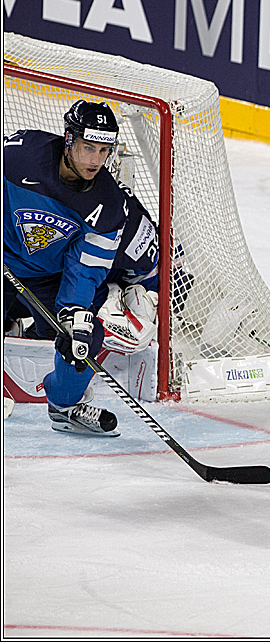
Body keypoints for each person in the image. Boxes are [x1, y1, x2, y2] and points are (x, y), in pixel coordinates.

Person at [3, 100, 131, 437]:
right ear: (68, 139)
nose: (95, 160)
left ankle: (64, 406)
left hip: (47, 276)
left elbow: (87, 266)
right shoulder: (20, 155)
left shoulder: (108, 204)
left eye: (104, 150)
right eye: (88, 147)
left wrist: (73, 315)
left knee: (83, 340)